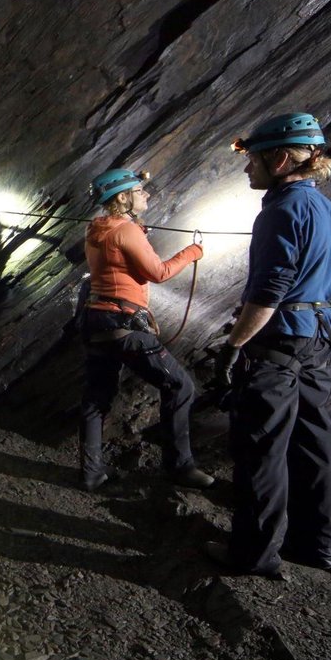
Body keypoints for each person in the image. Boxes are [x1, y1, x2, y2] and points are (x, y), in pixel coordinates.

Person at [211, 113, 331, 578]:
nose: (247, 169)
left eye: (252, 161)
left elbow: (270, 289)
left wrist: (234, 344)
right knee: (313, 444)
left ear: (281, 158)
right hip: (317, 338)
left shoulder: (282, 209)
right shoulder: (327, 208)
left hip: (281, 341)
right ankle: (321, 547)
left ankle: (254, 555)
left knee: (263, 447)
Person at [78, 168, 213, 491]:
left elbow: (117, 259)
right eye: (139, 190)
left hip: (97, 319)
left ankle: (91, 474)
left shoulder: (96, 228)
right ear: (122, 198)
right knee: (181, 387)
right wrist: (193, 252)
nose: (146, 194)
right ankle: (180, 467)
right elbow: (159, 272)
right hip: (123, 322)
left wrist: (138, 232)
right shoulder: (126, 230)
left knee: (97, 399)